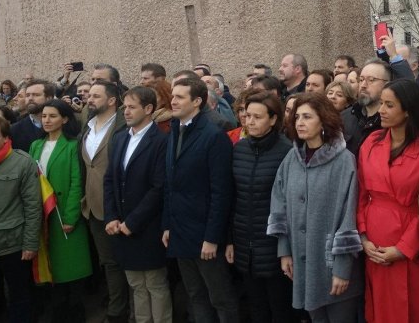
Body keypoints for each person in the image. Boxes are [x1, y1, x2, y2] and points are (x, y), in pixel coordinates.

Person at [267, 93, 363, 322]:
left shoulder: (344, 160)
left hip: (332, 264)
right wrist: (284, 251)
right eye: (297, 117)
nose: (299, 122)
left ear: (324, 120)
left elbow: (348, 216)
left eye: (307, 117)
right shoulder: (292, 158)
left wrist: (342, 268)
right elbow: (279, 204)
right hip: (303, 263)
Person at [357, 79, 419, 323]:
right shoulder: (371, 142)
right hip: (374, 245)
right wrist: (363, 237)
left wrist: (404, 248)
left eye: (389, 105)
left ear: (408, 110)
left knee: (416, 309)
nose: (381, 110)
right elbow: (362, 194)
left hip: (412, 247)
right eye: (381, 103)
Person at [162, 78, 239, 323]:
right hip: (180, 230)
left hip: (205, 236)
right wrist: (167, 225)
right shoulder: (175, 129)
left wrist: (212, 238)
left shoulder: (214, 136)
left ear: (197, 102)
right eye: (172, 96)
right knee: (195, 295)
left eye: (180, 97)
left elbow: (221, 193)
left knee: (221, 298)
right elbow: (170, 184)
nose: (173, 101)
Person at [227, 91, 298, 323]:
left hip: (275, 245)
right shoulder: (239, 149)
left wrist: (286, 248)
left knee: (280, 308)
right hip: (244, 243)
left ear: (274, 119)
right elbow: (233, 197)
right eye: (247, 116)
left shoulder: (287, 152)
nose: (250, 122)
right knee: (256, 307)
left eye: (257, 117)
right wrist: (230, 239)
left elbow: (291, 204)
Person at [104, 86, 172, 323]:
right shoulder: (120, 137)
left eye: (132, 107)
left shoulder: (161, 141)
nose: (127, 112)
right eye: (125, 107)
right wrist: (111, 216)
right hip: (121, 225)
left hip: (147, 225)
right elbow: (110, 179)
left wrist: (133, 222)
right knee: (135, 283)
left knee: (154, 282)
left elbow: (158, 187)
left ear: (149, 109)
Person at [29, 100, 92, 322]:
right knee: (52, 266)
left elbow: (77, 182)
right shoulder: (36, 146)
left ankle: (75, 311)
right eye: (44, 116)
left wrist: (71, 216)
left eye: (52, 116)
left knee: (71, 267)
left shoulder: (73, 145)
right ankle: (58, 310)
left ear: (64, 119)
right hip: (43, 215)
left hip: (64, 214)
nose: (46, 120)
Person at [80, 80, 129, 323]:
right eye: (90, 95)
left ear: (112, 101)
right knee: (108, 262)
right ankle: (116, 305)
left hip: (120, 208)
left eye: (96, 96)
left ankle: (121, 309)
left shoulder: (123, 127)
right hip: (93, 207)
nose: (90, 99)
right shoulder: (87, 127)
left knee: (125, 263)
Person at [0, 115, 41, 323]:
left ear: (5, 138)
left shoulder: (22, 162)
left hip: (13, 244)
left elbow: (32, 206)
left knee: (19, 296)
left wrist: (30, 243)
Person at [342, 39, 414, 156]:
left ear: (387, 84)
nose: (363, 85)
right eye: (361, 80)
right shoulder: (345, 117)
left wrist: (395, 56)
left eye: (371, 80)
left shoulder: (392, 121)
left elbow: (411, 91)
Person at [10, 79, 53, 151]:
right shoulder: (14, 130)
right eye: (27, 95)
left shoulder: (64, 126)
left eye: (36, 95)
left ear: (49, 98)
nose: (30, 98)